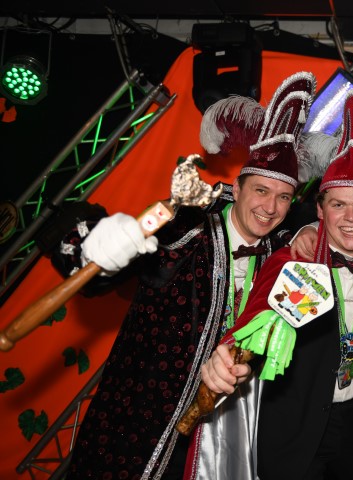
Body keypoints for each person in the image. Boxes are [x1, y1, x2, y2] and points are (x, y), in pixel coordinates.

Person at [51, 72, 316, 479]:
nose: (270, 207)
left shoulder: (279, 254)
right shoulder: (188, 226)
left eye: (283, 197)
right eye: (261, 191)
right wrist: (93, 245)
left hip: (214, 442)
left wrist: (307, 229)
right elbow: (97, 254)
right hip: (135, 428)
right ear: (237, 188)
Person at [197, 89, 353, 480]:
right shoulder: (294, 258)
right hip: (296, 427)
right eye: (338, 204)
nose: (351, 217)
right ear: (320, 210)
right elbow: (257, 312)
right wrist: (225, 355)